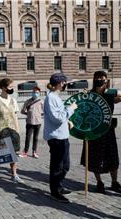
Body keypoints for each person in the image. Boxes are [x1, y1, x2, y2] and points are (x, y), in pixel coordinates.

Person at [81, 71, 121, 194]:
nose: (99, 80)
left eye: (102, 78)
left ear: (106, 80)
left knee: (112, 157)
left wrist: (115, 96)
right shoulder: (90, 94)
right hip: (94, 131)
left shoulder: (110, 93)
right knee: (95, 158)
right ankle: (99, 182)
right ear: (94, 80)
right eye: (97, 78)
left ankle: (114, 182)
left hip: (108, 130)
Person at [44, 73, 77, 203]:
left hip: (62, 135)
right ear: (60, 83)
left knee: (65, 165)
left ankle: (59, 186)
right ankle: (55, 191)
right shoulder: (51, 97)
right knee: (57, 166)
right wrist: (71, 109)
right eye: (64, 82)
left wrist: (67, 121)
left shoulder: (55, 97)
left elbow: (60, 116)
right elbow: (57, 118)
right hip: (56, 137)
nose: (66, 84)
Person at [0, 78, 24, 188]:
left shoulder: (13, 101)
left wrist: (18, 131)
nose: (11, 89)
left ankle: (14, 174)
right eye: (9, 87)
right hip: (2, 131)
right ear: (3, 87)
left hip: (13, 131)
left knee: (14, 155)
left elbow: (16, 117)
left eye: (12, 87)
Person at [20, 87, 44, 158]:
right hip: (29, 122)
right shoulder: (27, 101)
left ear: (39, 93)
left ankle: (34, 152)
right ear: (32, 92)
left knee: (35, 138)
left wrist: (38, 114)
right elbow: (22, 111)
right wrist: (28, 114)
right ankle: (25, 152)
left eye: (37, 92)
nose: (35, 93)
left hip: (38, 122)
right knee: (28, 137)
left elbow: (45, 111)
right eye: (34, 92)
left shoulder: (41, 101)